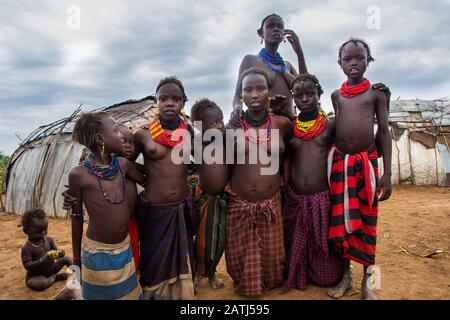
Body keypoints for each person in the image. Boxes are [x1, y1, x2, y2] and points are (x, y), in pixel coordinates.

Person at [206, 67, 292, 296]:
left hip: (271, 202)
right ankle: (246, 286)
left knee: (274, 256)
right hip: (240, 202)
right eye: (248, 89)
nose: (254, 94)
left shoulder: (282, 124)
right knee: (238, 254)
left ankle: (272, 283)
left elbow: (296, 152)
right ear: (241, 95)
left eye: (260, 88)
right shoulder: (232, 128)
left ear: (269, 93)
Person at [327, 39, 392, 300]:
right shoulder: (336, 96)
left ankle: (368, 281)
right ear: (340, 64)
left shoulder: (376, 94)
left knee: (366, 221)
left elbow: (384, 131)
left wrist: (387, 173)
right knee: (341, 221)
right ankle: (346, 276)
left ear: (368, 60)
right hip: (340, 165)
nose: (354, 63)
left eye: (360, 58)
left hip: (365, 165)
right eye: (348, 58)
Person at [69, 112, 145, 300]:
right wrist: (77, 258)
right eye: (116, 131)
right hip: (97, 252)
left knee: (128, 294)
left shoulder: (122, 165)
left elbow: (147, 181)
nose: (121, 136)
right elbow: (76, 218)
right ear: (100, 138)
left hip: (125, 248)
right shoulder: (79, 175)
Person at [133, 77, 196, 300]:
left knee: (185, 256)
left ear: (183, 102)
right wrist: (146, 179)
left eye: (176, 99)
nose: (170, 103)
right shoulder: (143, 134)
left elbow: (198, 162)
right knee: (154, 259)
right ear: (156, 101)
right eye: (163, 98)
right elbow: (124, 164)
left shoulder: (188, 132)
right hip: (155, 210)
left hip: (180, 207)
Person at [282, 73, 343, 292]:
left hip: (322, 201)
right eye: (298, 95)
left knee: (327, 275)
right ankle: (300, 271)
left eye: (310, 93)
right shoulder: (290, 127)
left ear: (319, 95)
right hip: (295, 201)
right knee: (294, 253)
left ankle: (341, 272)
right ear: (294, 99)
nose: (304, 99)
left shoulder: (331, 125)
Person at [231, 14, 307, 119]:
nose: (276, 29)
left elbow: (306, 88)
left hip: (289, 126)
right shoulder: (250, 60)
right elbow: (237, 96)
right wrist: (237, 109)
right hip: (263, 126)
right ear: (262, 33)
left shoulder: (287, 66)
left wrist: (300, 54)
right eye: (270, 26)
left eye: (280, 26)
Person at [189, 98, 227, 290]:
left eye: (221, 120)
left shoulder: (226, 141)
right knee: (202, 242)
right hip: (205, 198)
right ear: (201, 126)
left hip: (224, 198)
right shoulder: (196, 144)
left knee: (220, 241)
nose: (220, 125)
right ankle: (196, 275)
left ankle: (211, 273)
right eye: (214, 123)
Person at [21, 208, 72, 291]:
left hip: (51, 269)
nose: (43, 233)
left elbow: (57, 252)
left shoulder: (49, 240)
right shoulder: (27, 248)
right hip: (36, 275)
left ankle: (77, 274)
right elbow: (28, 266)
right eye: (38, 231)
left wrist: (60, 253)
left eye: (45, 230)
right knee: (40, 284)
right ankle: (55, 277)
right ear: (26, 231)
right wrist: (42, 260)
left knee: (68, 259)